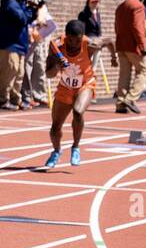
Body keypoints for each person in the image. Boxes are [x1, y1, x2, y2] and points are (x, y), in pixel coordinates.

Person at [42, 19, 117, 168]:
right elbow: (49, 74)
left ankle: (75, 147)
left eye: (77, 40)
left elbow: (109, 41)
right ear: (66, 36)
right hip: (65, 87)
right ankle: (56, 151)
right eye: (70, 39)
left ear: (82, 37)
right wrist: (57, 65)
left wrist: (114, 57)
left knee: (78, 111)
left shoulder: (89, 44)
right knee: (55, 127)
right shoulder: (57, 47)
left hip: (85, 84)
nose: (73, 44)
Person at [0, 0, 34, 109]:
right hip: (9, 43)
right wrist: (30, 9)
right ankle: (3, 100)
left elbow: (27, 18)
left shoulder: (20, 1)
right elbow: (22, 18)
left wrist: (32, 7)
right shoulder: (10, 1)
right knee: (10, 71)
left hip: (20, 42)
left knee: (19, 73)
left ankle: (16, 99)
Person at [113, 0, 146, 114]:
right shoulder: (138, 6)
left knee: (124, 75)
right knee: (143, 70)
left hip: (121, 44)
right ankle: (131, 98)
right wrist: (142, 44)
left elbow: (116, 26)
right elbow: (138, 27)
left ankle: (120, 103)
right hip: (133, 46)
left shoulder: (121, 6)